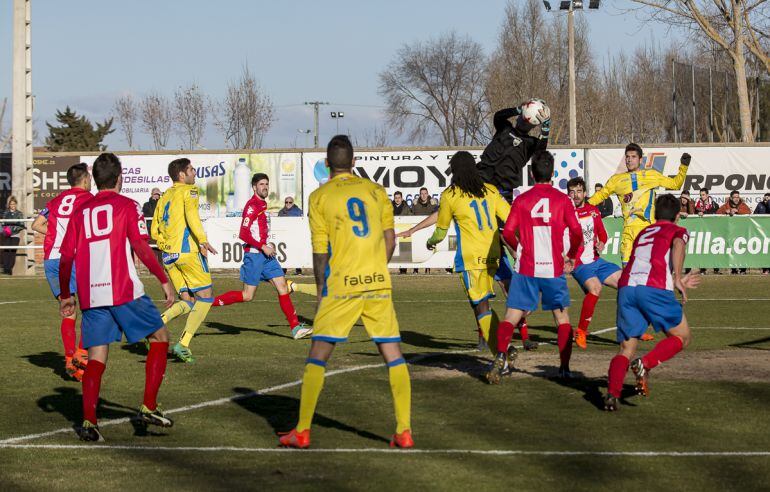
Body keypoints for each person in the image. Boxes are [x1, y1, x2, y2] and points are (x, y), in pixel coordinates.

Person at [279, 135, 412, 449]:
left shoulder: (319, 197)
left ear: (327, 164)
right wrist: (376, 267)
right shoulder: (376, 191)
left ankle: (302, 431)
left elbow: (320, 251)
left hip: (341, 285)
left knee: (318, 353)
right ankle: (404, 431)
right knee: (393, 353)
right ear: (354, 161)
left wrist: (321, 289)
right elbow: (390, 239)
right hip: (377, 282)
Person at [57, 152, 176, 441]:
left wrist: (66, 295)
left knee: (96, 356)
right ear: (119, 178)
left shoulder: (80, 212)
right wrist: (164, 279)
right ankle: (149, 406)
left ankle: (89, 423)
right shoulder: (128, 205)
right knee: (160, 337)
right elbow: (141, 246)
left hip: (91, 294)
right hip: (123, 289)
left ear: (96, 180)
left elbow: (66, 257)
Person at [486, 150, 583, 384]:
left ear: (531, 173)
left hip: (526, 267)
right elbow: (577, 232)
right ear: (553, 173)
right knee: (562, 319)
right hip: (553, 269)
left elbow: (508, 233)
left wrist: (519, 249)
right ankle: (564, 368)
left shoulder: (522, 200)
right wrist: (571, 256)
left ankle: (501, 356)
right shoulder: (563, 200)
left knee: (511, 316)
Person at [604, 194, 701, 411]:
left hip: (627, 287)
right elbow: (678, 244)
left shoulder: (644, 232)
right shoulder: (678, 230)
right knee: (682, 337)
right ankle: (645, 363)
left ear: (655, 214)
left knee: (626, 348)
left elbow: (648, 261)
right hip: (653, 289)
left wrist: (672, 279)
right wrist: (678, 277)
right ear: (677, 216)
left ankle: (612, 394)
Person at [425, 151, 511, 359]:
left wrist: (431, 242)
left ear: (455, 171)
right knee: (485, 303)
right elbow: (510, 217)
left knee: (480, 304)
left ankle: (501, 353)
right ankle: (501, 346)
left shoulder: (450, 195)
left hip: (471, 258)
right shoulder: (490, 190)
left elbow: (441, 231)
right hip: (493, 255)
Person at [212, 174, 312, 340]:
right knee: (247, 296)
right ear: (254, 187)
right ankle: (207, 302)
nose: (265, 187)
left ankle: (295, 328)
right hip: (254, 256)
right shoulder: (252, 206)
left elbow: (259, 231)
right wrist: (263, 246)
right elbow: (243, 234)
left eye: (266, 184)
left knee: (282, 287)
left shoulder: (263, 204)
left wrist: (267, 244)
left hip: (266, 256)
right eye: (261, 184)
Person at [30, 163, 94, 381]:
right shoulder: (88, 199)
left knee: (68, 309)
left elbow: (36, 224)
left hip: (52, 260)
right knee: (91, 310)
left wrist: (56, 234)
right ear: (84, 180)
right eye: (89, 178)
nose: (91, 181)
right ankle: (81, 358)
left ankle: (69, 359)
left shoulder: (56, 201)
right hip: (74, 258)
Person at [151, 158, 218, 363]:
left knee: (188, 302)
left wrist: (165, 245)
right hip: (187, 253)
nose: (194, 172)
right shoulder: (190, 190)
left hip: (168, 256)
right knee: (205, 297)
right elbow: (192, 216)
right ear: (182, 175)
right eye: (191, 169)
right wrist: (203, 240)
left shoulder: (164, 196)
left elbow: (154, 230)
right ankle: (184, 343)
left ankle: (156, 324)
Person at [588, 144, 690, 266]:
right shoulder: (616, 180)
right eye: (627, 157)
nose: (629, 160)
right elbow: (600, 195)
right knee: (627, 270)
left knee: (648, 271)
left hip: (648, 230)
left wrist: (684, 166)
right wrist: (583, 205)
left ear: (640, 160)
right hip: (628, 231)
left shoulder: (651, 175)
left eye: (633, 157)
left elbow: (675, 184)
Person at [566, 177, 623, 350]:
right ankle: (581, 331)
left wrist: (602, 243)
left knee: (626, 284)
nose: (576, 195)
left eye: (579, 191)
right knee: (595, 288)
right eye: (572, 192)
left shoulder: (593, 211)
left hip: (597, 260)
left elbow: (602, 233)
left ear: (585, 193)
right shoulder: (566, 213)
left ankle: (630, 329)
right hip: (579, 263)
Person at [476, 101, 551, 201]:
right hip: (481, 182)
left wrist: (545, 128)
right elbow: (498, 116)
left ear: (533, 125)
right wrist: (518, 110)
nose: (524, 121)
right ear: (518, 118)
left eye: (527, 121)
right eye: (522, 118)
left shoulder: (531, 143)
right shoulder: (505, 128)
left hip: (503, 191)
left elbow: (541, 152)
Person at [718, 190, 750, 274]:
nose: (736, 199)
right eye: (735, 197)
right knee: (732, 249)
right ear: (731, 198)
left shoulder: (743, 205)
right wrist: (725, 211)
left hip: (741, 231)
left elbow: (749, 212)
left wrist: (737, 211)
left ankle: (743, 269)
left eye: (737, 197)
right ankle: (734, 269)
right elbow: (717, 213)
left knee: (742, 249)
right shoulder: (726, 205)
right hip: (731, 231)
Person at [410, 187, 438, 273]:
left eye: (425, 193)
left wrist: (436, 204)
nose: (423, 195)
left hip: (429, 230)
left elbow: (437, 214)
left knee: (428, 248)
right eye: (422, 194)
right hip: (418, 230)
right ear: (419, 195)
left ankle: (428, 268)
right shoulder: (415, 204)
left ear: (428, 194)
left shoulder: (433, 204)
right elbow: (410, 215)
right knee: (416, 248)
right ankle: (415, 269)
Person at [1, 196, 25, 275]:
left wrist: (13, 230)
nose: (12, 206)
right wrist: (6, 230)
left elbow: (22, 225)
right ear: (9, 205)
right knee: (6, 251)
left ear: (16, 204)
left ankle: (9, 269)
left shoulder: (19, 213)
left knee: (12, 252)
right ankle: (5, 268)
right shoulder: (5, 213)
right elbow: (3, 223)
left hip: (15, 235)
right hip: (7, 234)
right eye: (11, 204)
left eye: (14, 204)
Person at [754, 193, 770, 275]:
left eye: (768, 197)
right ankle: (765, 269)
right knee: (764, 249)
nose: (766, 199)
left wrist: (769, 203)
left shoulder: (768, 204)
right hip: (762, 230)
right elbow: (755, 215)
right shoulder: (760, 204)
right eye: (765, 197)